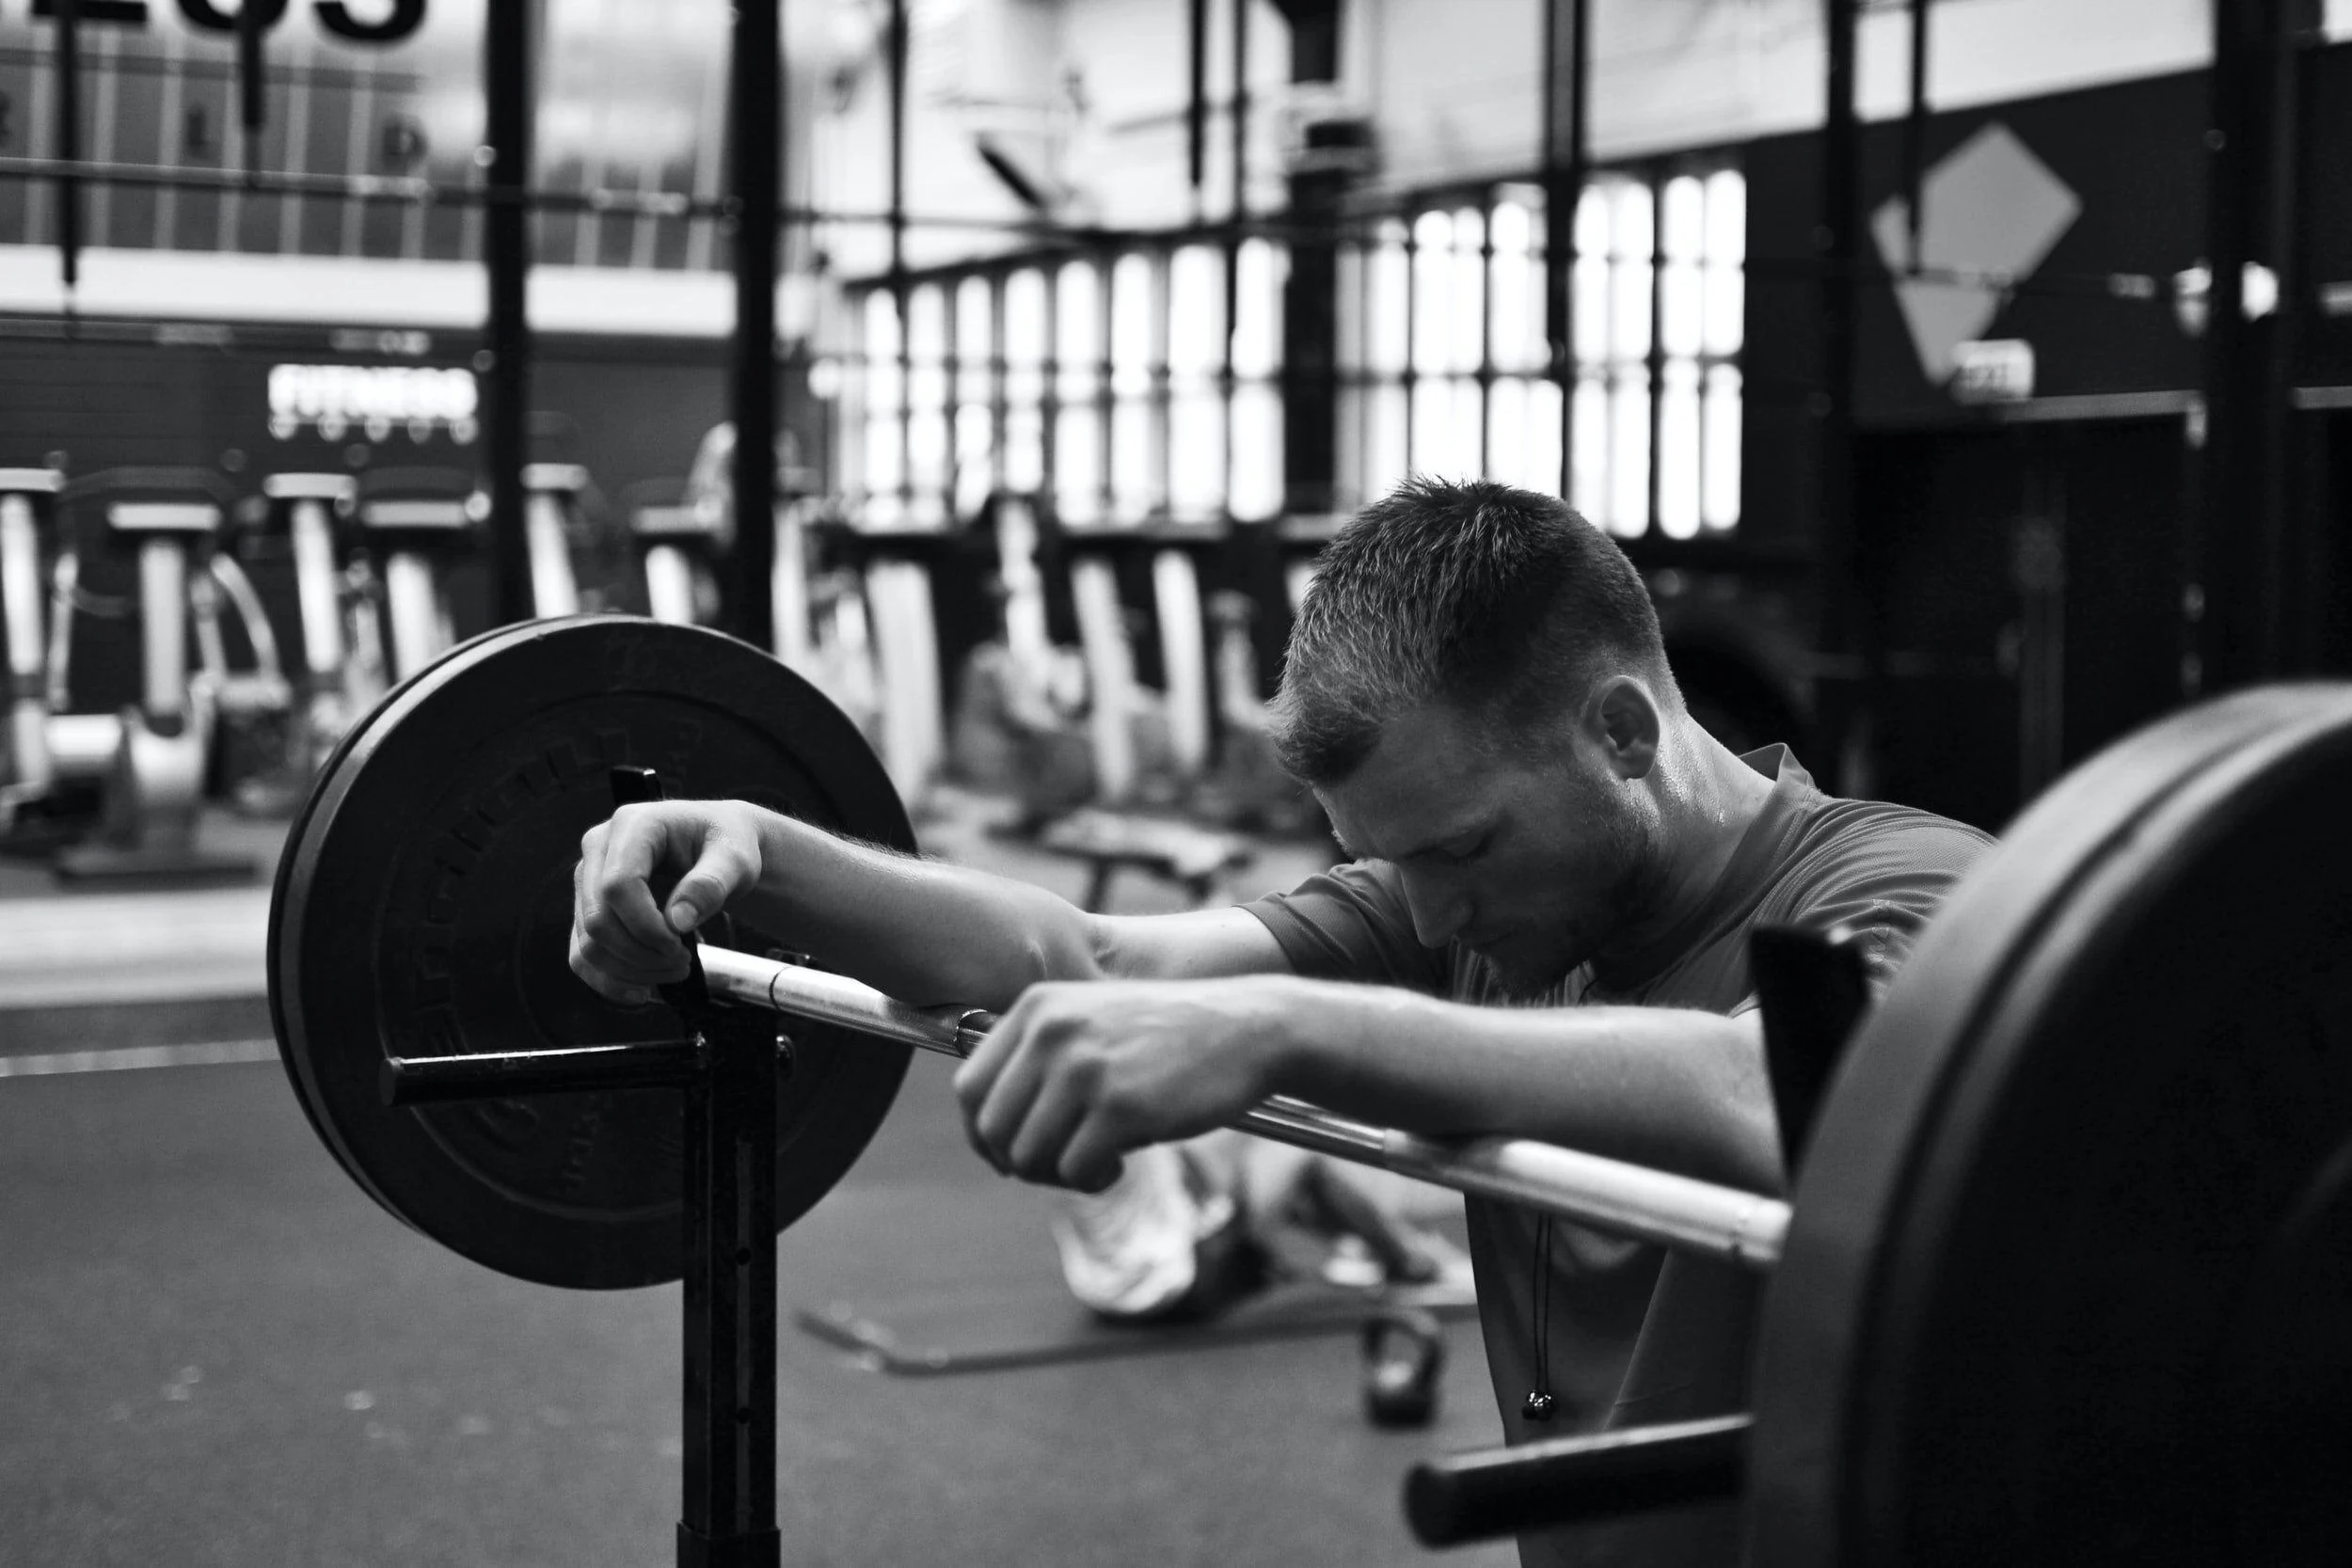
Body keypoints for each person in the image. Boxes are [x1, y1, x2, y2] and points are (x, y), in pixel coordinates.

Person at [571, 478, 1994, 1566]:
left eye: (1462, 851)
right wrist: (762, 849)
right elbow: (1097, 957)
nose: (1429, 921)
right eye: (1402, 863)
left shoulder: (1908, 887)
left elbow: (1778, 1086)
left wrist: (1291, 1030)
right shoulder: (1494, 900)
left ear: (1623, 732)